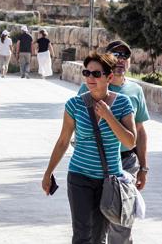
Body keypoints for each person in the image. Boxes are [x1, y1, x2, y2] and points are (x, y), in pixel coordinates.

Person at [42, 52, 136, 244]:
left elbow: (130, 142)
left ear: (109, 77)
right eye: (87, 73)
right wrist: (48, 172)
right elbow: (62, 141)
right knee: (82, 234)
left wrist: (109, 116)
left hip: (108, 180)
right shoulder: (75, 104)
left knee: (98, 236)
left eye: (96, 74)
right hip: (79, 176)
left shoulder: (123, 104)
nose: (90, 78)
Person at [78, 41, 150, 244]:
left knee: (121, 223)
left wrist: (144, 167)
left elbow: (141, 132)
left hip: (126, 164)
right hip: (96, 165)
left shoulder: (135, 90)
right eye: (115, 55)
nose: (120, 59)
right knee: (95, 226)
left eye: (125, 55)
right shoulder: (89, 87)